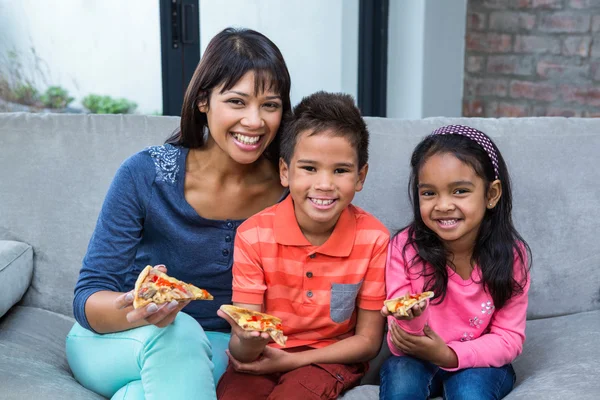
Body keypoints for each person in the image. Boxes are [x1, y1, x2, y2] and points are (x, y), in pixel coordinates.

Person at [65, 27, 291, 400]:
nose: (255, 121)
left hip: (217, 350)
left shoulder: (290, 191)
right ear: (204, 101)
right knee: (180, 333)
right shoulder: (146, 174)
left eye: (270, 104)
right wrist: (135, 310)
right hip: (116, 338)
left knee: (146, 390)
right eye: (237, 101)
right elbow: (88, 296)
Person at [215, 91, 389, 400]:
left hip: (328, 359)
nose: (324, 184)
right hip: (263, 357)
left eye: (340, 170)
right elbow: (241, 348)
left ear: (360, 176)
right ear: (285, 172)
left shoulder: (374, 239)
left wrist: (294, 359)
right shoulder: (253, 235)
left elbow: (368, 341)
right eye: (309, 168)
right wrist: (248, 339)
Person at [378, 125, 532, 400]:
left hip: (478, 361)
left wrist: (448, 355)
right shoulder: (405, 248)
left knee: (470, 393)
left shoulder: (512, 257)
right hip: (416, 358)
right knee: (401, 382)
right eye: (429, 193)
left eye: (460, 191)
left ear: (491, 194)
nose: (443, 205)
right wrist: (410, 321)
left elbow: (508, 339)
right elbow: (398, 344)